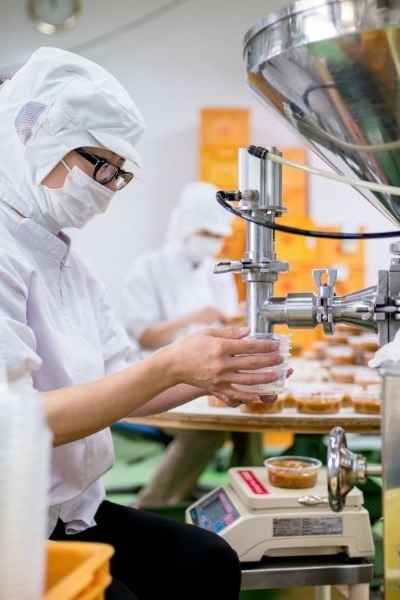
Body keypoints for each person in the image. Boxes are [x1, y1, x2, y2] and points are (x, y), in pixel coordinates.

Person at [0, 48, 283, 600]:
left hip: (62, 511)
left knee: (207, 561)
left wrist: (208, 376)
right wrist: (173, 362)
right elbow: (8, 424)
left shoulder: (66, 263)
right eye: (101, 165)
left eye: (119, 174)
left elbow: (121, 379)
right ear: (38, 142)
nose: (107, 185)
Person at [121, 183, 262, 507]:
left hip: (211, 375)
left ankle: (251, 502)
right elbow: (146, 336)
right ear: (184, 225)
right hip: (160, 380)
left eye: (218, 235)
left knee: (251, 416)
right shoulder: (149, 268)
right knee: (209, 427)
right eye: (205, 232)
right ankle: (156, 506)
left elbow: (228, 327)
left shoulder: (219, 271)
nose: (212, 241)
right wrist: (194, 317)